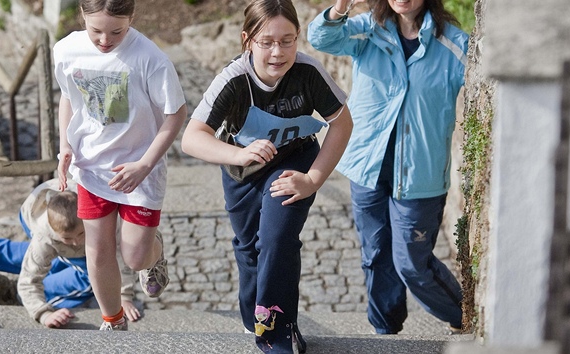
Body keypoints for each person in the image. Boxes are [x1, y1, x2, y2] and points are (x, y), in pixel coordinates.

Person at [181, 0, 352, 352]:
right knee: (249, 248)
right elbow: (192, 137)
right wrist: (239, 154)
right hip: (242, 170)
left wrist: (314, 178)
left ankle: (278, 333)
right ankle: (253, 318)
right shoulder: (233, 79)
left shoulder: (308, 72)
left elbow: (342, 123)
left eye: (287, 40)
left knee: (276, 240)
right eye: (267, 42)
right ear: (248, 41)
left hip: (294, 164)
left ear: (297, 38)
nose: (278, 52)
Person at [307, 0, 468, 335]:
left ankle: (463, 317)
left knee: (412, 264)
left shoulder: (454, 45)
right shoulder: (368, 30)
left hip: (419, 174)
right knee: (375, 254)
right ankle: (386, 333)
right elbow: (321, 38)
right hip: (369, 166)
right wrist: (340, 6)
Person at [54, 0, 187, 331]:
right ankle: (112, 321)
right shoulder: (67, 50)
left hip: (140, 169)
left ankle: (153, 256)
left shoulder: (150, 59)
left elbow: (176, 114)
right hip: (91, 166)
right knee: (97, 250)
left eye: (116, 31)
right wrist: (65, 145)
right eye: (95, 30)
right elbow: (69, 97)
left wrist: (144, 164)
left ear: (131, 19)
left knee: (134, 256)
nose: (104, 40)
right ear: (82, 15)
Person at [0, 179, 141, 328]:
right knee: (91, 277)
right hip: (32, 213)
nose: (76, 242)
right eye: (67, 239)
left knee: (99, 267)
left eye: (80, 235)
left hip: (67, 211)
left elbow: (119, 258)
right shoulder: (45, 238)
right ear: (56, 234)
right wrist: (43, 313)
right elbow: (29, 280)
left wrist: (124, 298)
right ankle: (33, 294)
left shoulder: (102, 220)